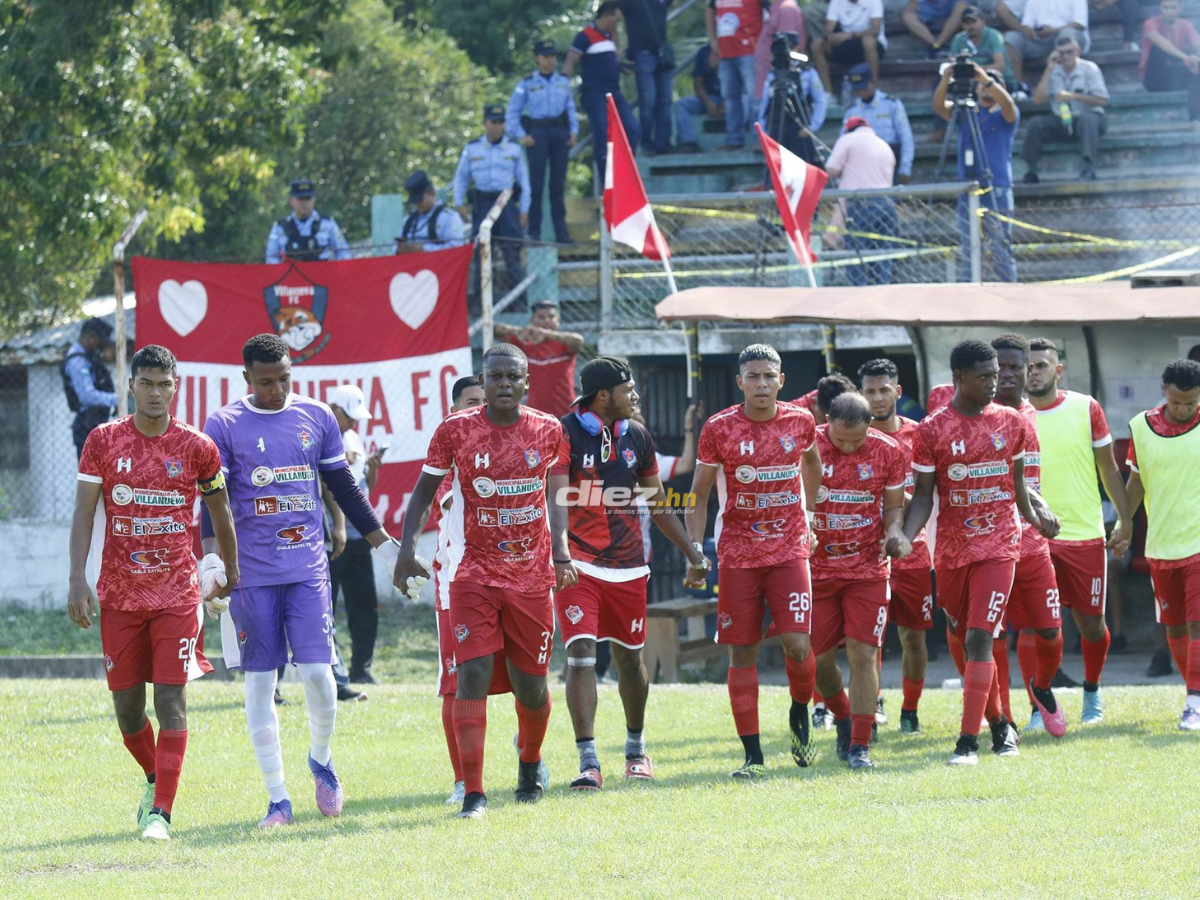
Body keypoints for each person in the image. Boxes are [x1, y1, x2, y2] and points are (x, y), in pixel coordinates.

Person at [201, 333, 405, 828]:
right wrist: (211, 562)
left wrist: (384, 543)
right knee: (259, 682)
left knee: (317, 674)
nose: (275, 390)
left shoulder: (317, 417)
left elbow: (344, 487)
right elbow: (215, 501)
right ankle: (277, 799)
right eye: (265, 381)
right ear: (246, 378)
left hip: (307, 569)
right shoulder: (223, 424)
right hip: (248, 574)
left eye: (284, 379)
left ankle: (321, 760)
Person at [393, 344, 576, 819]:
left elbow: (558, 499)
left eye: (511, 376)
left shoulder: (549, 429)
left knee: (530, 686)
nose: (502, 384)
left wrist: (561, 553)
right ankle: (473, 793)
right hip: (473, 574)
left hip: (532, 576)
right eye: (494, 376)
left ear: (525, 382)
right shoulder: (455, 431)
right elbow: (422, 494)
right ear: (484, 378)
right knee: (469, 676)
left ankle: (530, 763)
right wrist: (406, 552)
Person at [68, 344, 240, 841]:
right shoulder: (103, 440)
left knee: (172, 700)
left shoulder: (196, 446)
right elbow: (83, 514)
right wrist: (77, 578)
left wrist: (229, 569)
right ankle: (153, 777)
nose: (156, 393)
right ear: (131, 386)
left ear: (176, 387)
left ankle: (161, 813)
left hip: (176, 595)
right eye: (147, 383)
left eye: (165, 384)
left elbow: (221, 511)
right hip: (119, 594)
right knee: (127, 709)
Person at [902, 339, 1058, 765]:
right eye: (985, 376)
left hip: (1000, 544)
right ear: (959, 378)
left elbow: (1020, 486)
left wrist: (1037, 516)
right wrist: (904, 536)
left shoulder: (1012, 421)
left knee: (979, 636)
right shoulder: (932, 430)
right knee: (963, 635)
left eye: (998, 374)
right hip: (951, 550)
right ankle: (999, 726)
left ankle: (966, 744)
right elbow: (922, 498)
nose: (996, 383)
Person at [556, 358, 710, 789]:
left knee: (629, 658)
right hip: (578, 565)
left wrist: (692, 551)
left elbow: (658, 504)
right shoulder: (564, 433)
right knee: (581, 653)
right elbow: (554, 498)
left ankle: (635, 749)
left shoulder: (637, 436)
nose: (636, 396)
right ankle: (588, 761)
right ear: (603, 396)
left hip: (627, 567)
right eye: (628, 389)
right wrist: (559, 552)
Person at [686, 344, 823, 779]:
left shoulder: (801, 423)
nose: (761, 384)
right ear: (740, 381)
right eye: (753, 376)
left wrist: (811, 516)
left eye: (769, 376)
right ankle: (753, 755)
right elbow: (700, 494)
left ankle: (801, 711)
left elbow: (814, 465)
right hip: (738, 554)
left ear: (781, 381)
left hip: (789, 549)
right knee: (740, 652)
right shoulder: (719, 428)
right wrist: (694, 550)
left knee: (798, 644)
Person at [430, 376, 540, 806]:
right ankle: (464, 781)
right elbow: (453, 502)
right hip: (458, 581)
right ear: (456, 409)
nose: (481, 409)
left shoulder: (520, 444)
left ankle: (530, 758)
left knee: (523, 677)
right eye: (471, 403)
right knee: (457, 683)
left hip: (519, 578)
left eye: (484, 401)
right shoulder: (450, 453)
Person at [1027, 337, 1132, 724]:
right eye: (1028, 365)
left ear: (1058, 370)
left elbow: (1109, 469)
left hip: (1084, 534)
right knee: (1038, 626)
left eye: (1041, 365)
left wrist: (1126, 518)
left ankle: (1091, 692)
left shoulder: (1085, 407)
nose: (1033, 371)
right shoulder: (1012, 413)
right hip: (1033, 536)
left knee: (1092, 625)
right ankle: (1040, 703)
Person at [809, 393, 911, 770]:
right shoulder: (807, 444)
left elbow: (894, 506)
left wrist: (895, 532)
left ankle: (860, 745)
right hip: (816, 568)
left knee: (862, 652)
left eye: (857, 440)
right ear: (827, 423)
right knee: (816, 659)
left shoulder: (889, 451)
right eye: (841, 440)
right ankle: (843, 714)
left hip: (867, 568)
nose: (849, 447)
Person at [990, 334, 1066, 737]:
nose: (1008, 374)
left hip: (1033, 542)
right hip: (989, 544)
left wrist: (1038, 511)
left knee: (1051, 631)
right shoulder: (978, 417)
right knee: (996, 636)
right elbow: (1005, 479)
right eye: (999, 367)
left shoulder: (1034, 413)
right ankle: (1005, 722)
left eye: (1016, 366)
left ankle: (1041, 687)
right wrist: (1038, 506)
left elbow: (1024, 476)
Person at [859, 358, 934, 734]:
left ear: (898, 392)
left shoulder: (920, 435)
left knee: (913, 638)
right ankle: (870, 708)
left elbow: (931, 492)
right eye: (869, 391)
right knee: (866, 641)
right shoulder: (851, 436)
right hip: (865, 554)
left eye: (884, 389)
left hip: (914, 552)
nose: (877, 398)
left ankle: (910, 709)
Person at [1125, 358, 1200, 731]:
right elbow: (1136, 483)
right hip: (1162, 545)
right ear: (1164, 391)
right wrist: (1124, 524)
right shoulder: (1141, 427)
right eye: (1176, 403)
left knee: (1198, 622)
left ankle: (1195, 702)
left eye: (1191, 403)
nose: (1184, 409)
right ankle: (1194, 693)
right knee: (1175, 628)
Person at [933, 61, 1019, 282]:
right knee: (969, 249)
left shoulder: (1004, 114)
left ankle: (1009, 294)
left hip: (996, 186)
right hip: (968, 188)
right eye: (980, 84)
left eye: (991, 85)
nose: (984, 88)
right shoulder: (966, 112)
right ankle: (969, 296)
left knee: (1000, 246)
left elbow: (1008, 104)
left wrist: (986, 79)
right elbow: (939, 107)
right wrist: (946, 78)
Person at [327, 384, 380, 685]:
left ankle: (362, 669)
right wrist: (338, 526)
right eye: (350, 416)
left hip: (359, 536)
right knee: (326, 609)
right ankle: (335, 674)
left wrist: (372, 470)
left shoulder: (353, 437)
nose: (354, 422)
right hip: (331, 538)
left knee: (365, 605)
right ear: (334, 409)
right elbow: (324, 486)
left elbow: (362, 487)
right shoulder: (320, 436)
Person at [454, 104, 531, 305]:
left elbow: (524, 182)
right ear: (485, 123)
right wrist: (458, 202)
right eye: (493, 122)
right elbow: (461, 178)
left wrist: (524, 209)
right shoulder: (472, 148)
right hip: (482, 202)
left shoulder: (513, 148)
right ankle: (481, 302)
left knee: (511, 252)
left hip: (506, 203)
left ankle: (519, 301)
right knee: (481, 253)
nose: (498, 127)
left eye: (501, 122)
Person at [506, 40, 580, 243]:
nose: (550, 60)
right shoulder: (527, 83)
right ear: (537, 58)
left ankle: (561, 232)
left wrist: (573, 130)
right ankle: (535, 231)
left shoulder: (562, 82)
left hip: (559, 131)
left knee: (558, 184)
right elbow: (512, 112)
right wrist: (522, 135)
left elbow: (570, 109)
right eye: (546, 56)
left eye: (553, 56)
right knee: (535, 185)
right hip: (537, 133)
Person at [566, 3, 640, 187]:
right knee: (603, 136)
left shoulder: (611, 36)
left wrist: (624, 65)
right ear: (606, 16)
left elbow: (615, 59)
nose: (617, 24)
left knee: (632, 130)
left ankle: (626, 175)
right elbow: (569, 62)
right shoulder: (584, 35)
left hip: (614, 91)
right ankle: (608, 184)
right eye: (616, 20)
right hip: (594, 93)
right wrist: (560, 88)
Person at [825, 116, 899, 287]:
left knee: (856, 256)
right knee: (883, 256)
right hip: (887, 205)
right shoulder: (884, 145)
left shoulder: (847, 140)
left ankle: (857, 295)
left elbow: (832, 168)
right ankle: (881, 293)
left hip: (860, 205)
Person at [1024, 35, 1109, 182]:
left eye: (1070, 51)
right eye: (1062, 52)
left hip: (1089, 120)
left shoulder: (1090, 69)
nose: (1066, 56)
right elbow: (1038, 100)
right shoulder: (1053, 72)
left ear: (1078, 51)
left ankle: (1088, 167)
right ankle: (1031, 170)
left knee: (1087, 119)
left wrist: (1073, 96)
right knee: (1036, 123)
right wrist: (1048, 70)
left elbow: (1102, 100)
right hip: (1062, 121)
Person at [494, 300, 585, 419]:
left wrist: (547, 334)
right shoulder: (524, 344)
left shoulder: (564, 343)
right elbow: (495, 329)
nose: (547, 320)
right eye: (541, 317)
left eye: (551, 317)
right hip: (536, 412)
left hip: (566, 411)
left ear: (558, 320)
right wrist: (522, 331)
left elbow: (578, 341)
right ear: (532, 320)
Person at [758, 34, 828, 166]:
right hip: (777, 126)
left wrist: (812, 127)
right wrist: (763, 132)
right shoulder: (773, 73)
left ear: (796, 48)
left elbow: (820, 100)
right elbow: (765, 104)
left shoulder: (806, 71)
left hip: (799, 128)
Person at [618, 0, 676, 155]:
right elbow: (613, 16)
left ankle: (663, 143)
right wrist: (618, 52)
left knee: (664, 101)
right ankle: (647, 143)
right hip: (642, 54)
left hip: (662, 54)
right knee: (648, 100)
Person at [840, 64, 913, 184]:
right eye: (857, 89)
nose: (861, 92)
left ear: (873, 82)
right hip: (860, 164)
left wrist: (905, 167)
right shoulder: (852, 111)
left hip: (889, 160)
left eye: (863, 87)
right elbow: (843, 140)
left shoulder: (891, 104)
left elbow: (906, 137)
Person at [706, 0, 763, 149]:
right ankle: (734, 140)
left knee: (755, 97)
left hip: (750, 50)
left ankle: (760, 139)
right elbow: (710, 10)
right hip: (725, 53)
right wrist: (713, 42)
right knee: (730, 98)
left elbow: (772, 10)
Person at [62, 317, 118, 459]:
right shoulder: (77, 360)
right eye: (99, 341)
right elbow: (87, 396)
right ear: (90, 337)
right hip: (86, 425)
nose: (99, 346)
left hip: (96, 422)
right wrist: (118, 399)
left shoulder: (88, 357)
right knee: (90, 476)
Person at [1003, 0, 1090, 88]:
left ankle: (1063, 87)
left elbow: (1079, 24)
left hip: (1069, 36)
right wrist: (1028, 30)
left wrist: (1053, 31)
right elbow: (1027, 23)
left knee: (1066, 35)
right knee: (1011, 38)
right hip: (1040, 39)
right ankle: (1018, 88)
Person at [1140, 0, 1200, 126]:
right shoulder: (1151, 23)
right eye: (1165, 7)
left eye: (1173, 7)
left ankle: (1195, 120)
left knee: (1198, 70)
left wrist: (1196, 58)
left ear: (1179, 9)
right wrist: (1186, 58)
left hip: (1175, 79)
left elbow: (1197, 45)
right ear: (1160, 8)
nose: (1168, 11)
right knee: (1156, 48)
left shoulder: (1186, 24)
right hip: (1154, 80)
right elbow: (1157, 39)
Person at [265, 178, 350, 264]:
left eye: (308, 198)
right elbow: (271, 258)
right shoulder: (279, 227)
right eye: (300, 199)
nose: (305, 203)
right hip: (291, 275)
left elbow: (343, 253)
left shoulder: (327, 224)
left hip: (322, 275)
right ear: (291, 201)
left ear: (314, 199)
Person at [811, 0, 888, 93]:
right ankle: (828, 93)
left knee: (868, 41)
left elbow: (876, 30)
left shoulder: (874, 1)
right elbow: (828, 30)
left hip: (871, 45)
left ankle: (873, 88)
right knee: (817, 45)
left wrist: (850, 35)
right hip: (847, 45)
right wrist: (830, 37)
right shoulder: (836, 2)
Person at [395, 170, 466, 253]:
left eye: (420, 200)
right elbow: (394, 246)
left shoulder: (449, 218)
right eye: (415, 201)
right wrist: (400, 249)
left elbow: (456, 249)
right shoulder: (408, 220)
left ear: (431, 193)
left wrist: (424, 249)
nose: (417, 204)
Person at [674, 42, 724, 153]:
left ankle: (736, 143)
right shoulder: (704, 51)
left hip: (735, 99)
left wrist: (729, 102)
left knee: (746, 102)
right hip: (710, 97)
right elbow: (698, 82)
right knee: (681, 104)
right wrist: (708, 103)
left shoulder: (737, 47)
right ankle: (689, 143)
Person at [949, 7, 1014, 88]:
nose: (971, 26)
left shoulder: (994, 36)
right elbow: (951, 63)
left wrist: (973, 70)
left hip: (997, 80)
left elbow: (1000, 66)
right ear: (962, 25)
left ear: (983, 21)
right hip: (969, 82)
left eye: (974, 21)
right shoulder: (958, 39)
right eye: (967, 23)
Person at [755, 0, 807, 101]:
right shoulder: (775, 9)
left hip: (779, 83)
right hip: (768, 79)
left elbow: (787, 49)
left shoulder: (786, 9)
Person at [902, 0, 969, 59]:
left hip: (952, 4)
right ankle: (935, 45)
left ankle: (939, 43)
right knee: (908, 16)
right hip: (930, 5)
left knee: (962, 6)